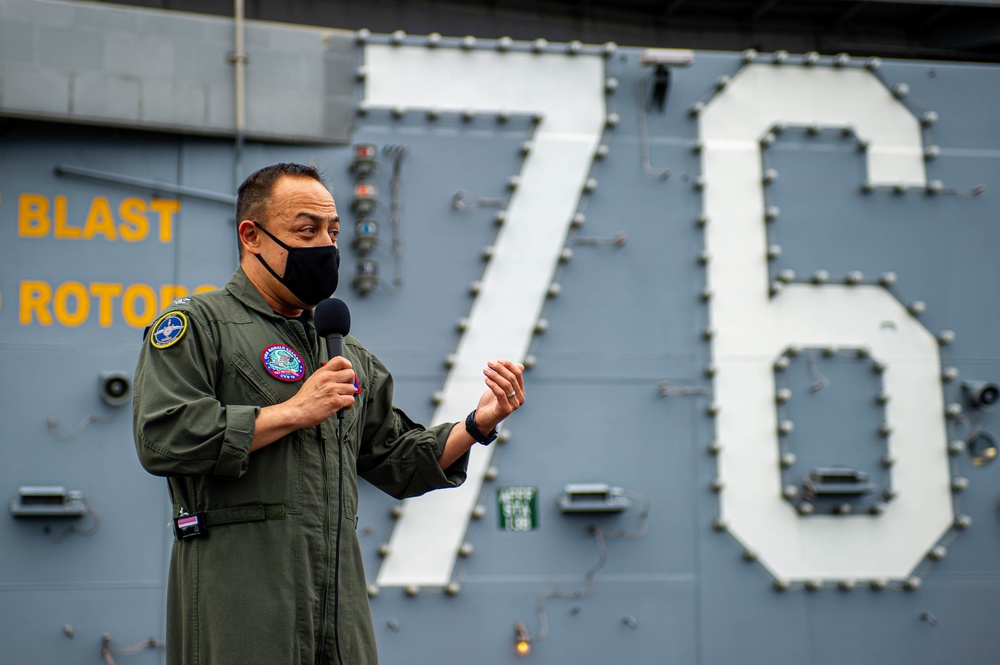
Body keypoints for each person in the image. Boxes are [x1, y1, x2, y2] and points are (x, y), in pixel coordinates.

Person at [132, 162, 524, 665]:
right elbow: (164, 436)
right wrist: (294, 412)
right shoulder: (199, 326)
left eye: (333, 232)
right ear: (251, 235)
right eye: (306, 230)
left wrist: (477, 423)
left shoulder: (343, 350)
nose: (326, 245)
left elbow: (396, 460)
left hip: (338, 615)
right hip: (241, 612)